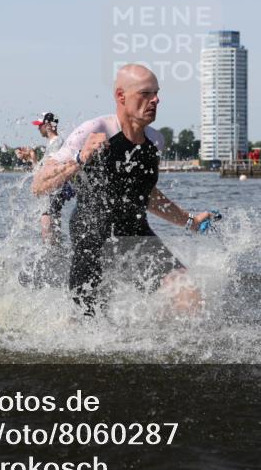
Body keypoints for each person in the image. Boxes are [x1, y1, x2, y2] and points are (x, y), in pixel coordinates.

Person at [32, 64, 216, 316]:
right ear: (121, 96)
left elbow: (145, 193)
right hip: (92, 233)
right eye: (145, 93)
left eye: (156, 93)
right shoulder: (94, 129)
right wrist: (80, 157)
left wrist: (189, 221)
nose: (156, 100)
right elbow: (39, 185)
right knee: (87, 318)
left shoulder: (155, 140)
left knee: (187, 293)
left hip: (135, 231)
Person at [17, 112, 75, 244]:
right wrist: (32, 158)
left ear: (48, 125)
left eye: (40, 125)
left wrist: (32, 158)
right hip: (51, 190)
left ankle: (51, 251)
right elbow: (41, 173)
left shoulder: (57, 143)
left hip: (53, 190)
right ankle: (55, 252)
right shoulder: (51, 144)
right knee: (52, 224)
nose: (38, 128)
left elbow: (49, 172)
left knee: (47, 221)